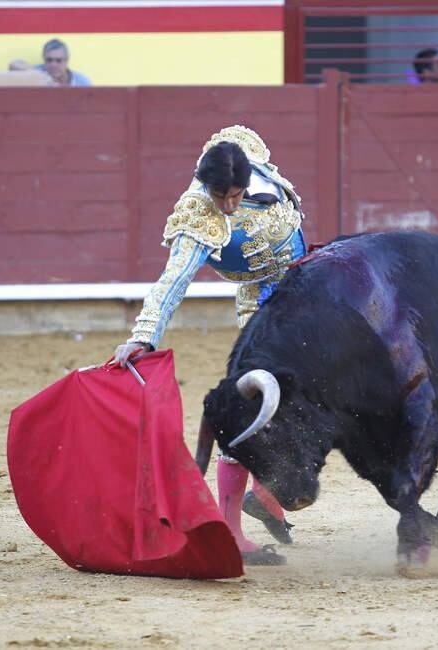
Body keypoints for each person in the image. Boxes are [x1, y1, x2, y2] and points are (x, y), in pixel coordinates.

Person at [114, 125, 305, 566]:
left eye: (235, 195)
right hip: (262, 308)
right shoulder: (197, 215)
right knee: (249, 408)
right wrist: (143, 336)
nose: (229, 205)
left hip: (308, 288)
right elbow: (173, 281)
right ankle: (231, 527)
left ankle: (265, 489)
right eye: (222, 197)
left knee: (311, 394)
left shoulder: (247, 151)